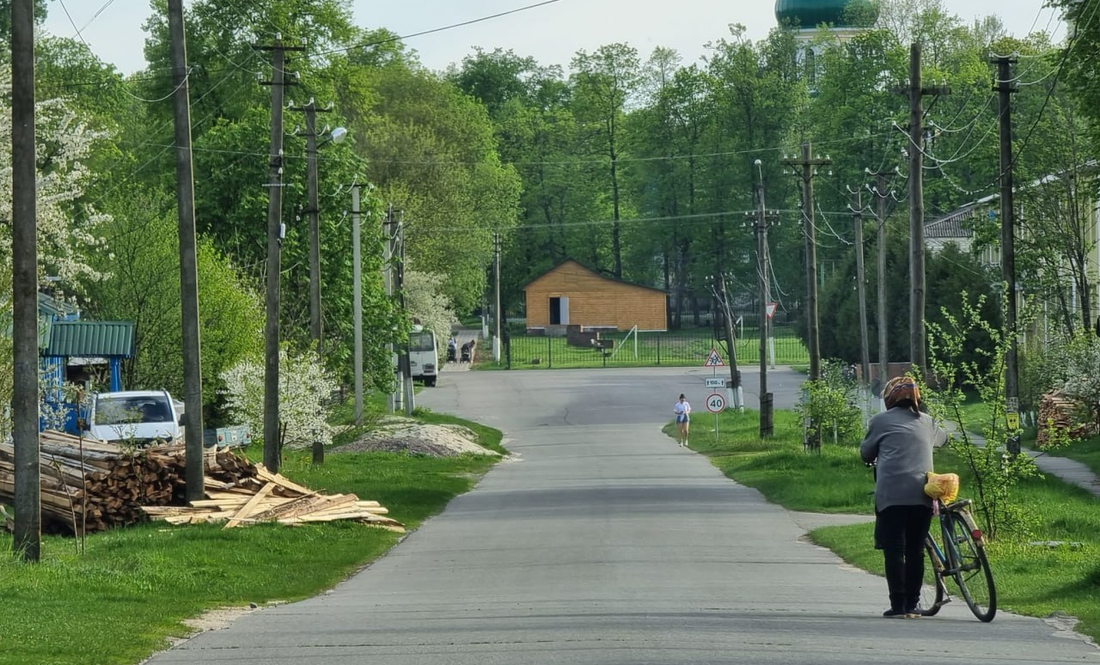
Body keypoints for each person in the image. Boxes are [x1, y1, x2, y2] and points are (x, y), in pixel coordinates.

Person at [860, 375, 948, 618]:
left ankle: (898, 606)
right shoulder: (927, 421)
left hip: (891, 495)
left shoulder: (879, 421)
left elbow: (866, 453)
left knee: (895, 549)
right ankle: (913, 604)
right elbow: (945, 440)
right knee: (916, 550)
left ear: (890, 398)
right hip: (922, 495)